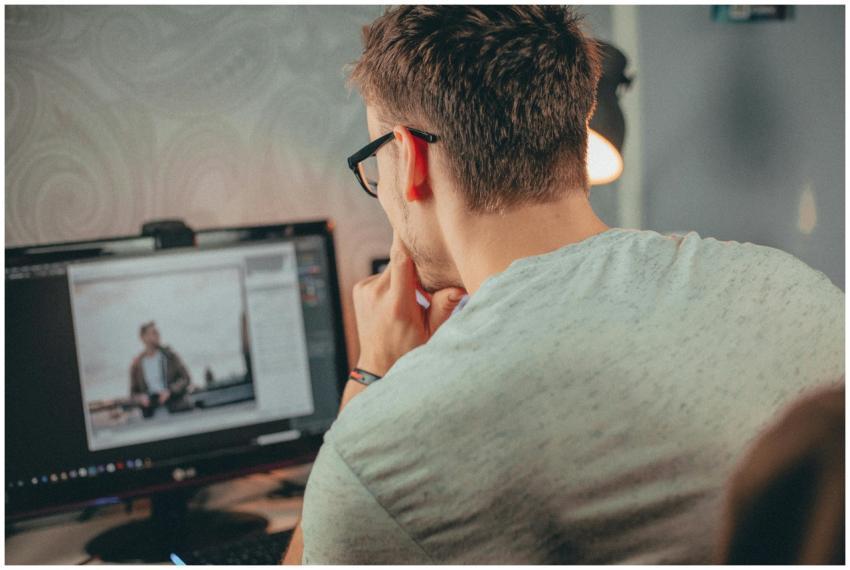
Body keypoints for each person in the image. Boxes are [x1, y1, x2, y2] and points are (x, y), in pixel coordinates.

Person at [284, 6, 844, 564]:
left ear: (408, 159)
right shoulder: (798, 289)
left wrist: (372, 376)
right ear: (573, 127)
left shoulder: (379, 452)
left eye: (376, 164)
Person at [130, 321, 192, 418]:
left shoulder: (170, 356)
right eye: (154, 333)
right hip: (151, 409)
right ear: (143, 337)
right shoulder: (137, 364)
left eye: (158, 332)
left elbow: (186, 379)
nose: (158, 335)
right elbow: (133, 393)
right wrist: (141, 398)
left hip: (174, 404)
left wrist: (170, 391)